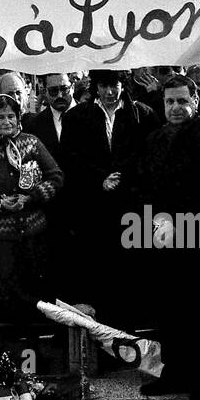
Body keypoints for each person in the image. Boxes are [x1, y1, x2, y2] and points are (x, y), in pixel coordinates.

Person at [114, 75, 200, 400]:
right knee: (170, 309)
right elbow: (142, 184)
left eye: (182, 101)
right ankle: (176, 371)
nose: (175, 107)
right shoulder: (154, 139)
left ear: (195, 102)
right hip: (162, 238)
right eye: (169, 101)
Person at [58, 69, 158, 321]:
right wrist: (99, 179)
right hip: (95, 208)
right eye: (104, 86)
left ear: (123, 85)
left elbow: (150, 157)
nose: (110, 92)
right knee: (98, 268)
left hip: (131, 204)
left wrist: (124, 179)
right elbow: (70, 159)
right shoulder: (76, 117)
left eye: (114, 85)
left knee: (131, 271)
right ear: (95, 87)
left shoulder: (142, 114)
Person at [0, 94, 63, 320]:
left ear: (18, 118)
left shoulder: (32, 142)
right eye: (0, 117)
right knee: (1, 297)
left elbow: (55, 177)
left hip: (32, 237)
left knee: (33, 295)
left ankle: (34, 342)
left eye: (11, 116)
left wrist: (31, 197)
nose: (6, 122)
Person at [24, 72, 74, 162]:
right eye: (53, 91)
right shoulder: (35, 125)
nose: (60, 95)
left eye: (64, 89)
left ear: (72, 87)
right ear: (45, 92)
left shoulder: (91, 116)